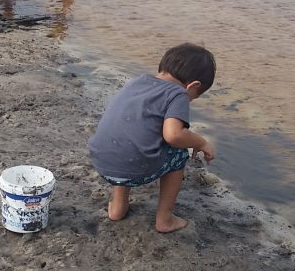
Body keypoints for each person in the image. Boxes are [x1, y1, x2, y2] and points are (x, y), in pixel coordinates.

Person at [87, 43, 217, 233]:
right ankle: (165, 219)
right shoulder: (178, 93)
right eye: (194, 97)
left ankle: (117, 207)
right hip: (132, 169)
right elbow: (174, 135)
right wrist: (201, 142)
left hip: (102, 161)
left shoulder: (137, 82)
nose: (189, 100)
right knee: (179, 153)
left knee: (129, 137)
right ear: (193, 85)